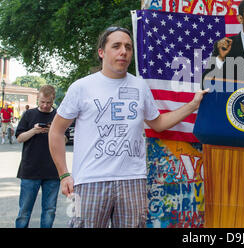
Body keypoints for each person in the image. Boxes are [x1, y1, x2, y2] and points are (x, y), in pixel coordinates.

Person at [49, 26, 208, 228]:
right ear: (101, 52)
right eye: (116, 46)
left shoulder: (139, 86)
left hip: (133, 180)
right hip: (88, 182)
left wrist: (193, 105)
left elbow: (158, 124)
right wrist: (63, 174)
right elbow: (56, 131)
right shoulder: (81, 87)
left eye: (128, 47)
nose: (123, 51)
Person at [15, 85, 61, 228]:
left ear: (53, 99)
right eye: (42, 102)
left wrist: (52, 132)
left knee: (49, 211)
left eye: (48, 102)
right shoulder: (29, 114)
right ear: (37, 99)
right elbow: (19, 138)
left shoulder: (59, 116)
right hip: (30, 170)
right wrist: (33, 131)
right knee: (24, 211)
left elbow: (65, 139)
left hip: (53, 170)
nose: (45, 105)